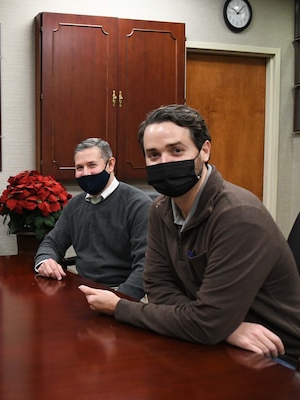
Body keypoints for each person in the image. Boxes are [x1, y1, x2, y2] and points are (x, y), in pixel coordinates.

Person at [79, 105, 300, 369]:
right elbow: (158, 288)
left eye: (177, 150)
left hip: (272, 352)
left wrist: (119, 307)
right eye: (153, 154)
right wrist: (224, 327)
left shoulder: (239, 215)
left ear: (204, 150)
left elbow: (206, 323)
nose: (164, 162)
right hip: (213, 337)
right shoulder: (160, 209)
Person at [35, 138, 151, 300]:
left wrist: (119, 300)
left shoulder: (137, 204)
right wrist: (45, 260)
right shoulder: (75, 205)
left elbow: (146, 265)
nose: (86, 173)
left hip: (124, 294)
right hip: (83, 289)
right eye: (79, 168)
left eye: (92, 165)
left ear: (110, 165)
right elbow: (52, 243)